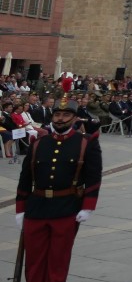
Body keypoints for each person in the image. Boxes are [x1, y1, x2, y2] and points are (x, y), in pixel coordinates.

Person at [15, 97, 102, 282]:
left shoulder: (86, 142)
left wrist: (88, 206)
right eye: (57, 114)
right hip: (36, 207)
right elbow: (25, 177)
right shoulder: (38, 142)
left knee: (58, 259)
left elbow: (93, 176)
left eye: (66, 115)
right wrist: (20, 209)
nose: (60, 119)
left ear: (75, 118)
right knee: (34, 259)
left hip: (67, 207)